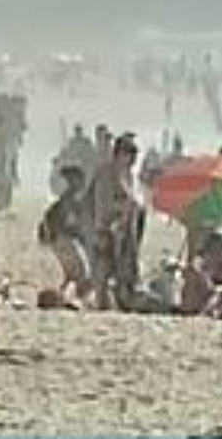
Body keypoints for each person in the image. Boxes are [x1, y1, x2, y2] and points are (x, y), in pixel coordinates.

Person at [86, 133, 142, 310]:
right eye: (129, 154)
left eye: (134, 155)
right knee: (103, 269)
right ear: (119, 154)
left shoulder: (128, 176)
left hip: (125, 230)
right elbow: (103, 203)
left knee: (125, 271)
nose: (132, 159)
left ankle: (122, 301)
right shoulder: (105, 174)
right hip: (105, 227)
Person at [37, 165, 90, 304]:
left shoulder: (68, 199)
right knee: (80, 273)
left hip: (58, 239)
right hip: (62, 239)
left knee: (71, 274)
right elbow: (69, 224)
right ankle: (74, 298)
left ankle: (64, 295)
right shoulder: (69, 200)